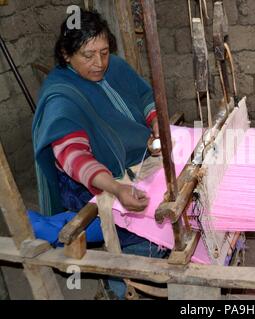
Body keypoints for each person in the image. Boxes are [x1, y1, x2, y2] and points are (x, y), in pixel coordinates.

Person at [32, 9, 168, 299]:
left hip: (133, 161)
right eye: (88, 55)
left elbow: (145, 96)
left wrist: (155, 121)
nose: (99, 63)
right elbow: (75, 157)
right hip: (86, 182)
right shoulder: (61, 96)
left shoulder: (114, 67)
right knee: (137, 221)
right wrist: (117, 188)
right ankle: (120, 281)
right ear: (66, 55)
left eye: (104, 52)